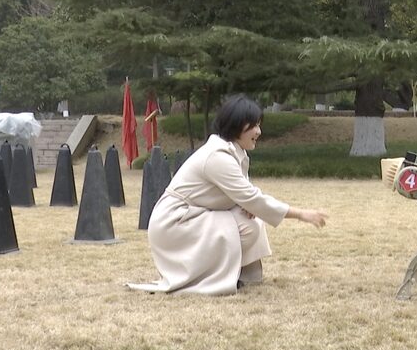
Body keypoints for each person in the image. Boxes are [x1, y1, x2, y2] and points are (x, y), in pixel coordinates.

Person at [127, 95, 328, 295]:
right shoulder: (217, 156)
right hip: (175, 222)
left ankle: (233, 273)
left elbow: (248, 198)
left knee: (253, 220)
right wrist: (301, 214)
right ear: (236, 126)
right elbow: (252, 198)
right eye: (253, 126)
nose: (259, 131)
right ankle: (213, 277)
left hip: (192, 216)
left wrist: (248, 206)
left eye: (259, 125)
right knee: (247, 225)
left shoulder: (234, 152)